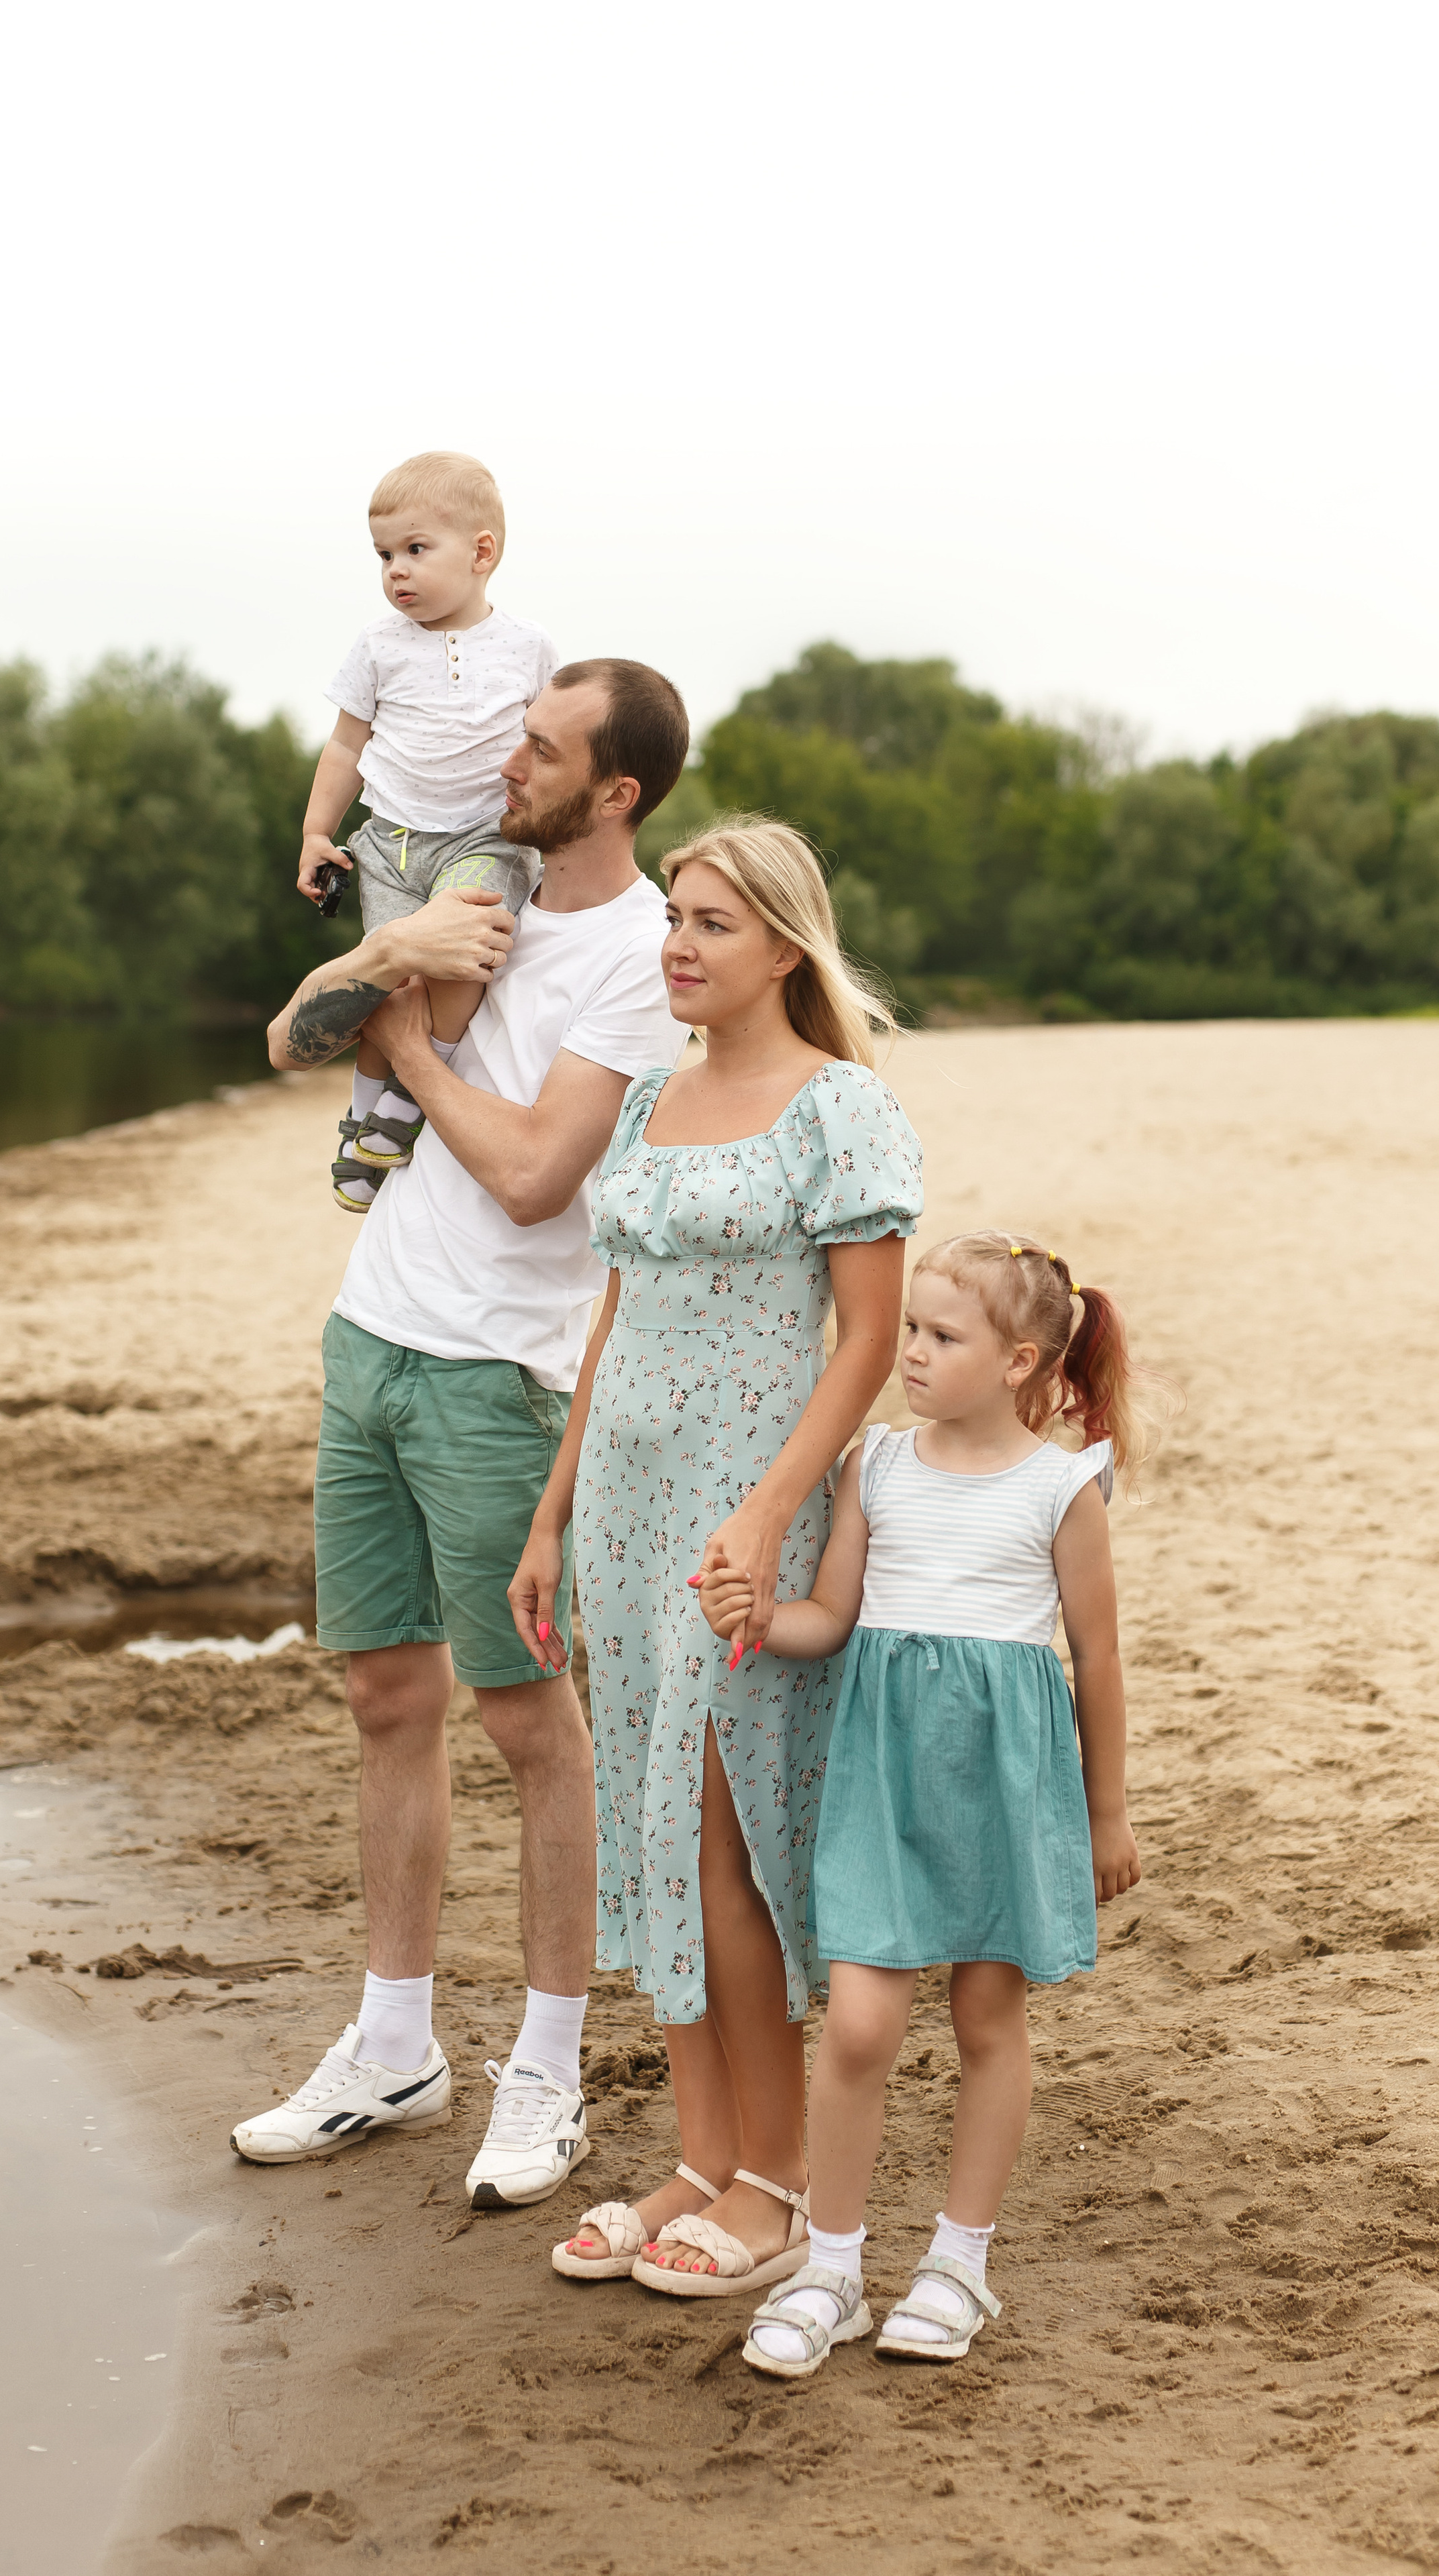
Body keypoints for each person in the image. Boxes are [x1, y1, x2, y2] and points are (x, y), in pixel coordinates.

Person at [231, 659, 691, 2209]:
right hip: (370, 1337)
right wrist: (389, 949)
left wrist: (417, 1042)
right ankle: (392, 2045)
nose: (508, 757)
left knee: (522, 1723)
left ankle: (548, 2069)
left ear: (613, 789)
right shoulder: (463, 895)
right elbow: (302, 1044)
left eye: (543, 745)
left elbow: (533, 1172)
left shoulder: (635, 955)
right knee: (382, 1696)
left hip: (503, 1375)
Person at [507, 817, 922, 2297]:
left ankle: (780, 2180)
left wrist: (760, 1511)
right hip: (618, 1503)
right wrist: (552, 1515)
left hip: (745, 1512)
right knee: (648, 1827)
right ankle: (698, 2151)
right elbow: (607, 1324)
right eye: (672, 917)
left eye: (712, 924)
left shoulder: (839, 1112)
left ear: (785, 949)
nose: (677, 944)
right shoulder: (648, 1104)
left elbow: (866, 1343)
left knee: (718, 1832)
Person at [695, 1231, 1149, 2377]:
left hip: (1004, 1785)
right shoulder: (878, 1466)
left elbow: (1097, 1662)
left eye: (942, 1337)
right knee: (859, 2027)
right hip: (882, 1781)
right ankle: (832, 2269)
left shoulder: (1062, 1489)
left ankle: (958, 2262)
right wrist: (757, 1616)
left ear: (1020, 1361)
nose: (910, 1353)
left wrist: (1106, 1816)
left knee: (990, 2023)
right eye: (909, 1329)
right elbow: (829, 1620)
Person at [298, 449, 558, 1212]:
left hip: (484, 838)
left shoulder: (529, 647)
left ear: (482, 553)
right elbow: (346, 745)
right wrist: (318, 831)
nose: (396, 572)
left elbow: (550, 750)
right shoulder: (378, 646)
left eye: (416, 550)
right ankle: (364, 1110)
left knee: (456, 962)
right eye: (384, 555)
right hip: (390, 846)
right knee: (391, 976)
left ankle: (411, 1095)